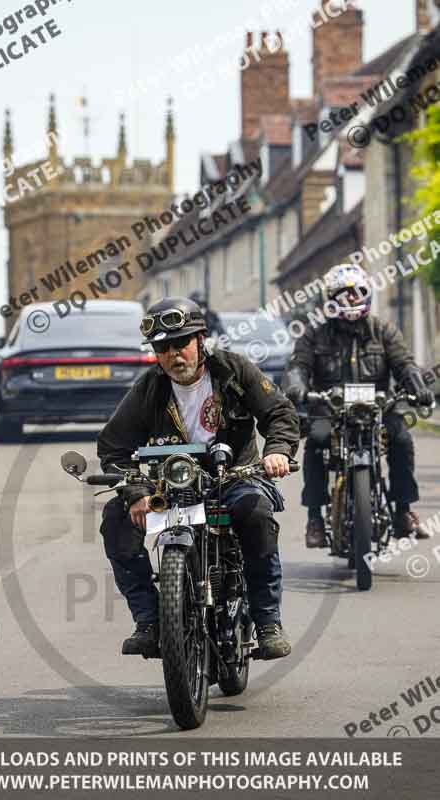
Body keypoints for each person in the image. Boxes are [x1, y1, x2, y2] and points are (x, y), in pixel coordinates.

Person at [97, 296, 300, 659]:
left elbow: (280, 413)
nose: (173, 354)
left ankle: (267, 620)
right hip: (172, 489)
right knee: (116, 518)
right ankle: (148, 620)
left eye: (180, 344)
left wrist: (278, 451)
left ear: (200, 339)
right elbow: (113, 447)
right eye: (162, 348)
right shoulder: (148, 389)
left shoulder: (234, 370)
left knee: (255, 512)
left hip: (236, 479)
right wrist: (137, 491)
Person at [283, 263, 435, 548]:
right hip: (331, 409)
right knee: (315, 441)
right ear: (331, 298)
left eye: (357, 292)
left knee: (401, 440)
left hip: (378, 409)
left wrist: (419, 387)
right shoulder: (314, 335)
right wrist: (296, 385)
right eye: (343, 293)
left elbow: (405, 364)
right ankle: (315, 518)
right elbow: (298, 365)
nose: (351, 299)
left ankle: (403, 511)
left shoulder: (383, 330)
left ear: (367, 294)